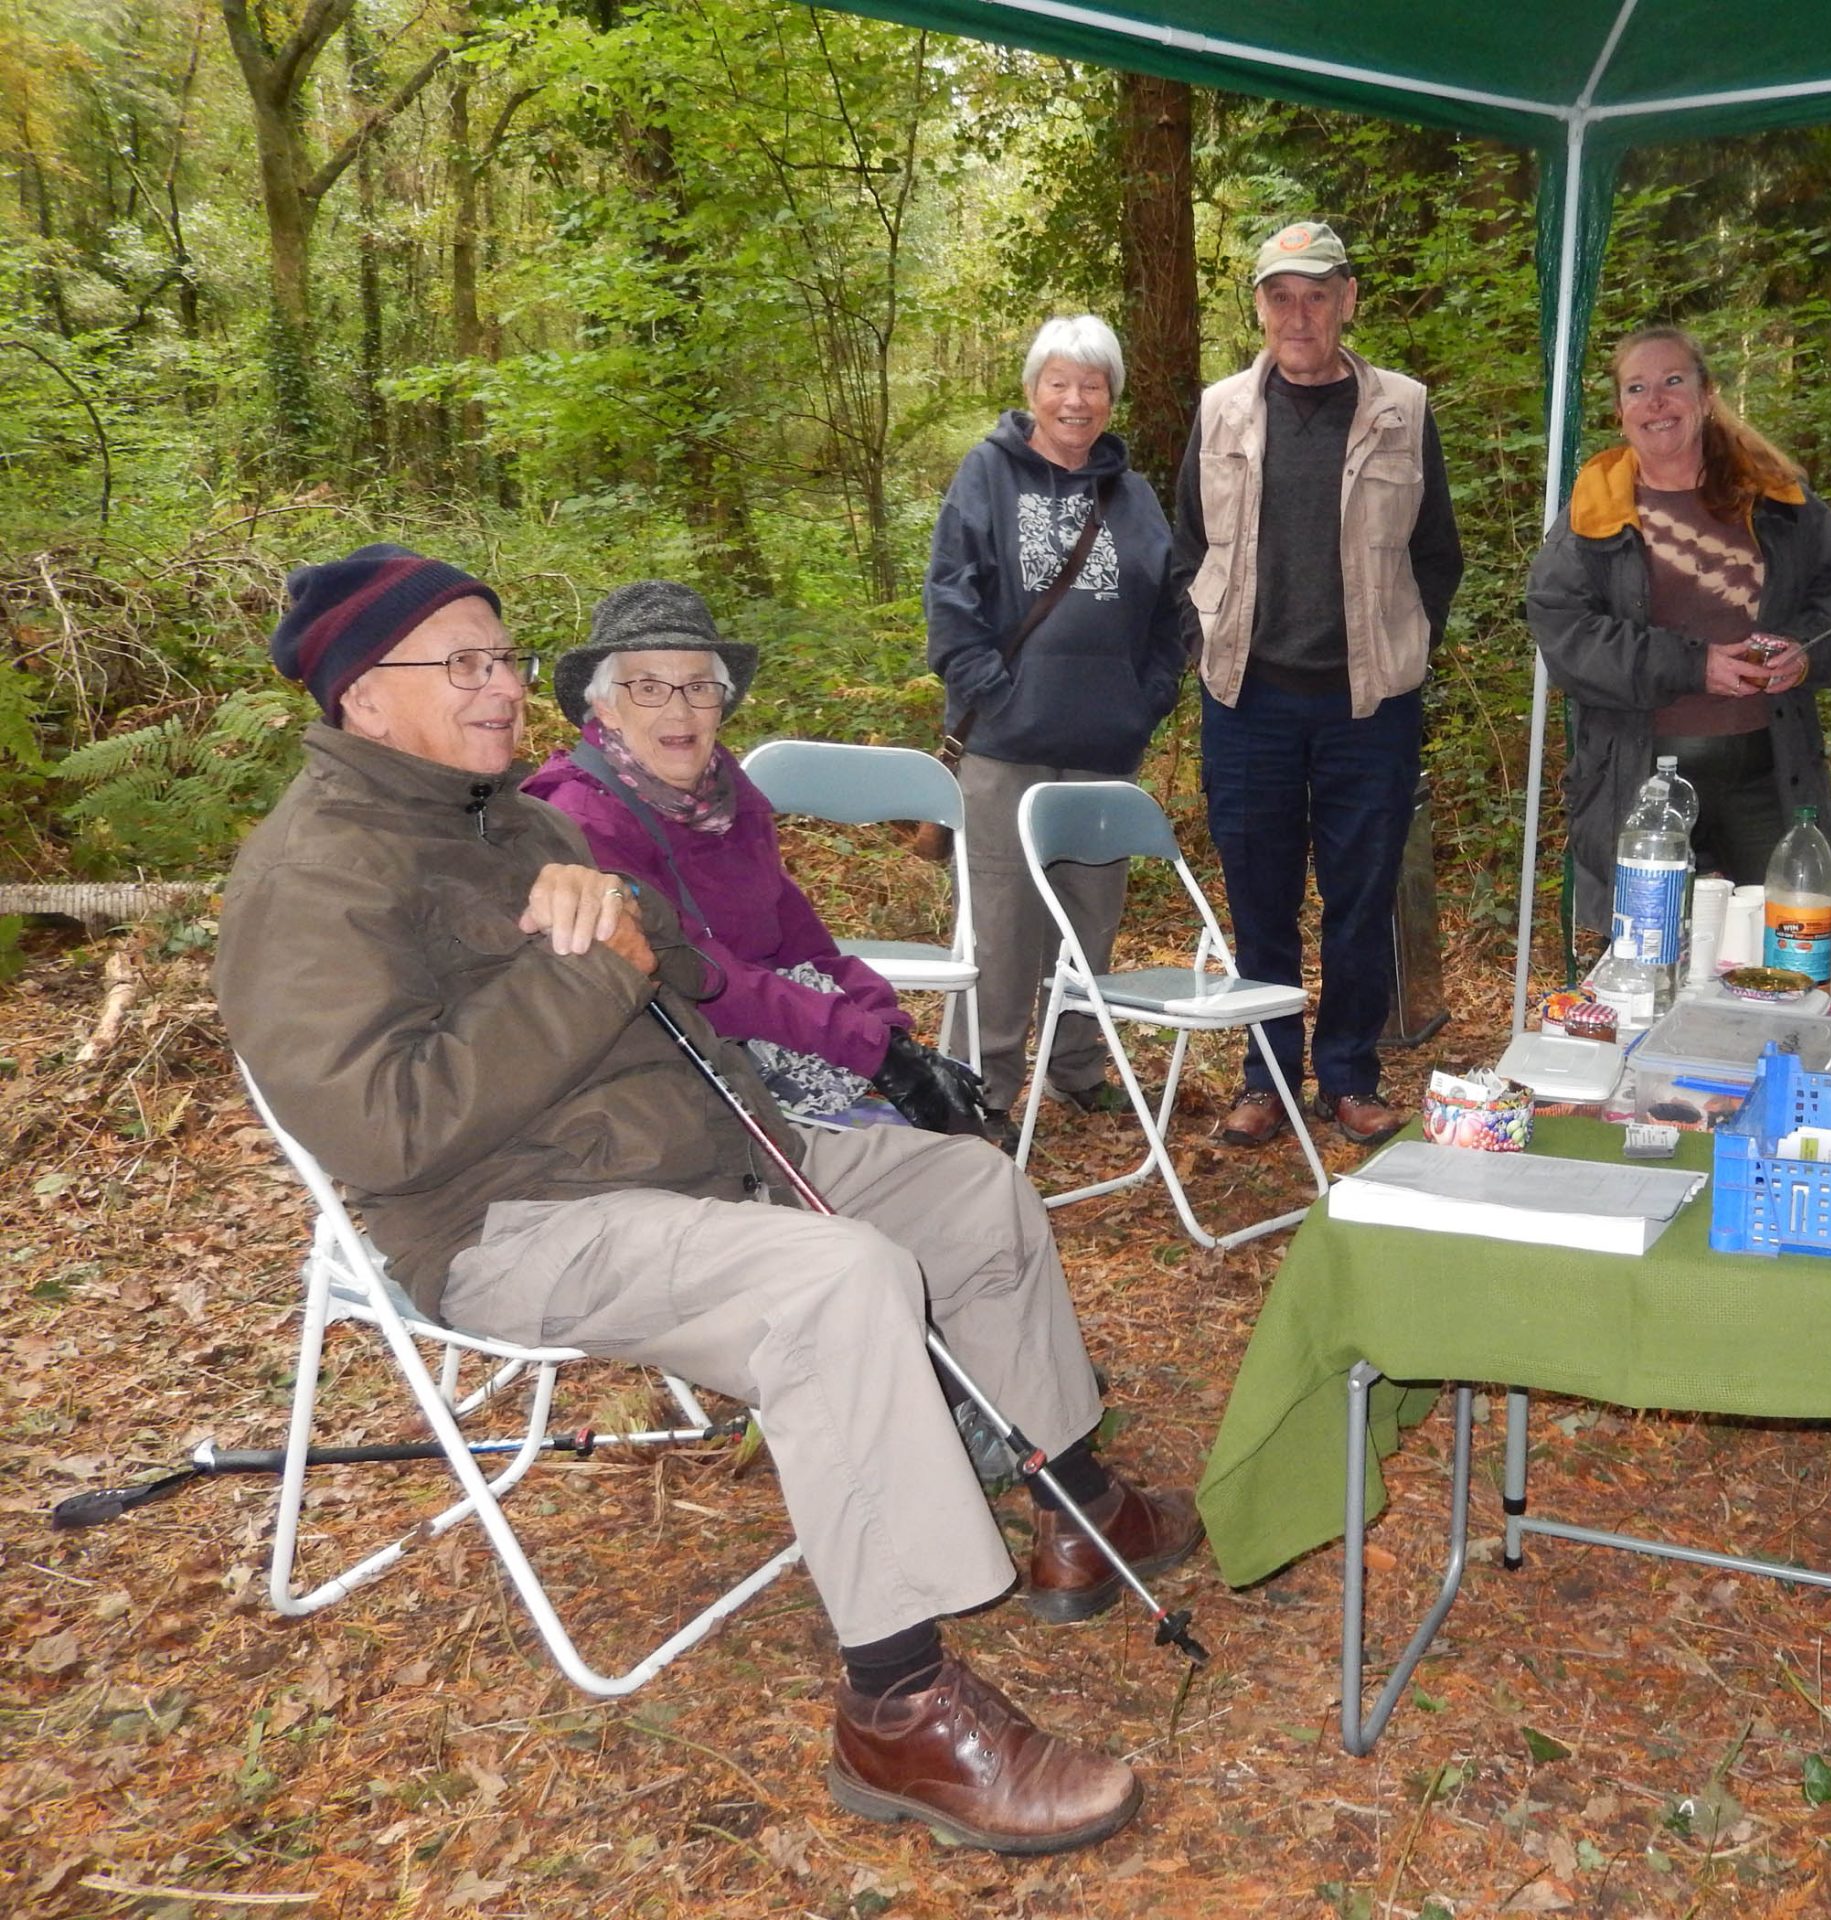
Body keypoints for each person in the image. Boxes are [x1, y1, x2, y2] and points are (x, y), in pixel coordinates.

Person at [217, 544, 1203, 1856]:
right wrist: (581, 967)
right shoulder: (313, 880)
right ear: (359, 696)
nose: (501, 686)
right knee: (837, 1281)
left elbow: (677, 961)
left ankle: (1074, 1500)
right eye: (461, 664)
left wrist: (620, 912)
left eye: (501, 657)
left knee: (969, 1192)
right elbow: (388, 1133)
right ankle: (896, 1708)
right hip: (513, 1220)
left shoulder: (512, 815)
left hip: (701, 1147)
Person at [1170, 220, 1464, 1149]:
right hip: (1246, 700)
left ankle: (1347, 1074)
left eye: (1317, 294)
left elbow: (1436, 555)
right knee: (1258, 899)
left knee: (1359, 893)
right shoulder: (1219, 410)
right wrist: (1204, 641)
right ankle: (1267, 1078)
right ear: (1258, 306)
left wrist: (1400, 645)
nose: (1299, 314)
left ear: (1348, 300)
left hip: (1366, 706)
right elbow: (1187, 544)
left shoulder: (1402, 409)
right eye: (1280, 296)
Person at [523, 580, 983, 1133]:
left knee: (960, 1142)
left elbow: (803, 942)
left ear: (722, 703)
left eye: (699, 687)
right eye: (648, 687)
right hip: (677, 1085)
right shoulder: (578, 817)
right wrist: (872, 1049)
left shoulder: (726, 798)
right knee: (937, 1161)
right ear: (605, 707)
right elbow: (702, 975)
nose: (680, 710)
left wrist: (893, 1035)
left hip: (771, 1050)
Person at [924, 315, 1186, 1129]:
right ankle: (986, 1086)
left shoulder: (1132, 494)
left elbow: (1172, 609)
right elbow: (950, 594)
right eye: (1059, 382)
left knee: (1089, 920)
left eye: (1093, 384)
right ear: (1033, 389)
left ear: (1112, 396)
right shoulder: (987, 474)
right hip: (1005, 747)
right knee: (1001, 924)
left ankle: (1076, 1065)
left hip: (1104, 750)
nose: (1076, 400)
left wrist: (1145, 701)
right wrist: (995, 691)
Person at [1526, 324, 1831, 931]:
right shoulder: (1595, 506)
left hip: (1768, 774)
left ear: (1706, 395)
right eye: (1636, 388)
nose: (1655, 402)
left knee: (1783, 947)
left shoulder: (1773, 495)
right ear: (1620, 410)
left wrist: (1806, 652)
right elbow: (1568, 636)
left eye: (1673, 382)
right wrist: (1694, 665)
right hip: (1641, 783)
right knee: (1648, 957)